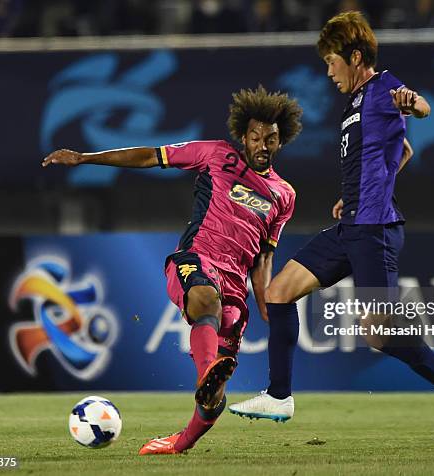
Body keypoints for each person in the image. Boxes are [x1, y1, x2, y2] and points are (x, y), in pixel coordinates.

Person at [228, 11, 434, 438]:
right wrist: (358, 192)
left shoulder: (384, 87)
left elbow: (419, 105)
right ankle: (279, 396)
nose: (328, 71)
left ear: (355, 56)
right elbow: (402, 151)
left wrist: (413, 106)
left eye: (331, 61)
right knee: (278, 292)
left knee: (377, 333)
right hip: (352, 226)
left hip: (374, 230)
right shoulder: (354, 101)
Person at [42, 85, 303, 454]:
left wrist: (265, 304)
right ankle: (205, 375)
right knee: (205, 302)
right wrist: (85, 158)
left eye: (271, 139)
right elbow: (150, 155)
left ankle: (180, 443)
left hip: (235, 286)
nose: (262, 145)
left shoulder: (284, 195)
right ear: (243, 135)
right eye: (256, 137)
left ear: (281, 140)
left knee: (213, 402)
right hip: (197, 261)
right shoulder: (215, 154)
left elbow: (263, 258)